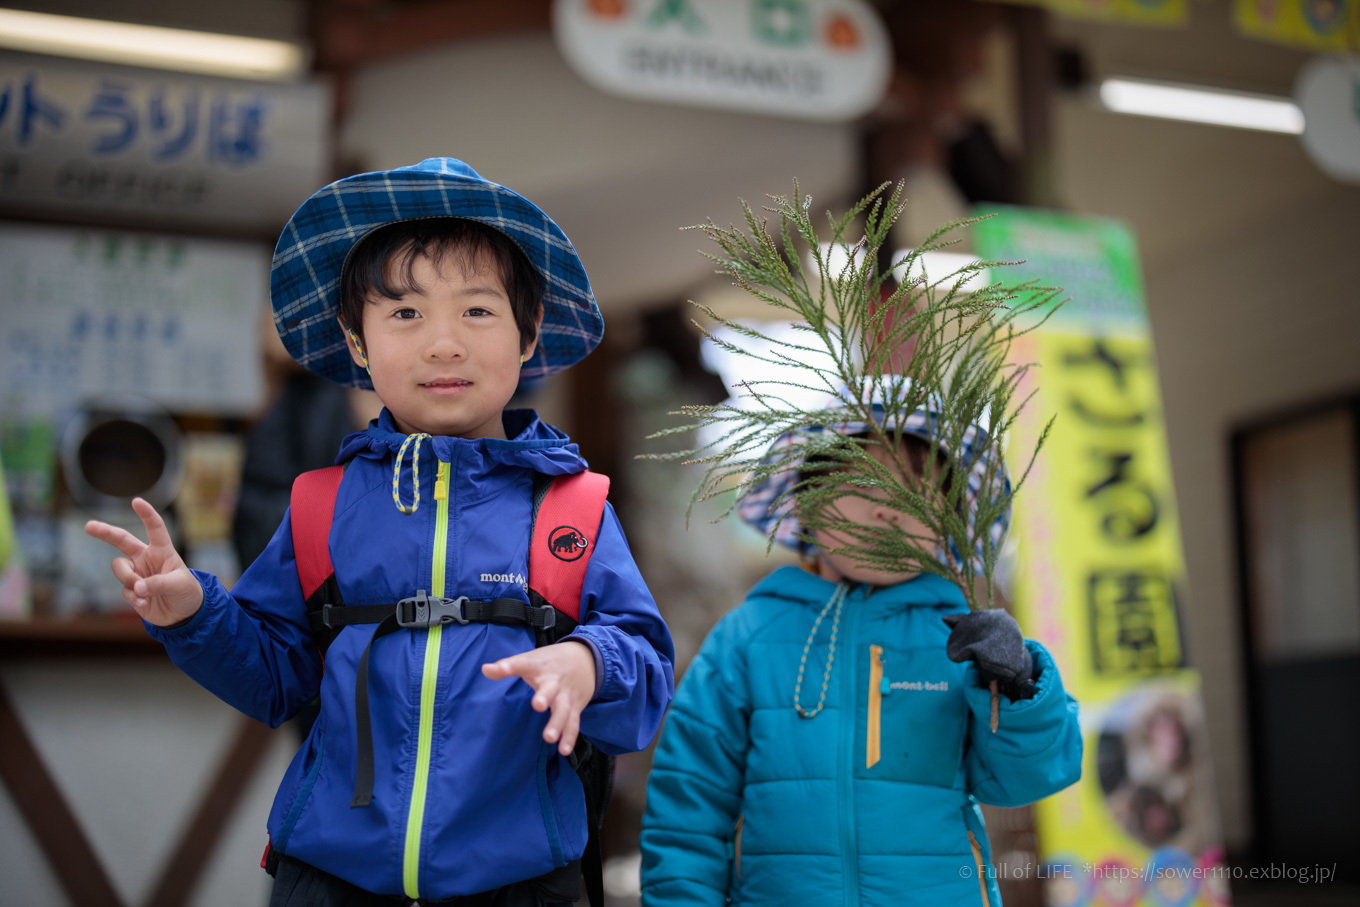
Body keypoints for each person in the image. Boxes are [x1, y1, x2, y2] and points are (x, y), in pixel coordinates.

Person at [85, 158, 675, 906]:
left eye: (478, 311)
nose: (443, 343)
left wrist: (590, 663)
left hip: (522, 882)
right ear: (357, 344)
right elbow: (275, 679)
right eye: (405, 313)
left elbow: (648, 674)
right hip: (331, 880)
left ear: (528, 336)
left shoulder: (573, 508)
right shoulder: (320, 506)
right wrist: (193, 613)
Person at [639, 405, 1082, 906]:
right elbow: (688, 809)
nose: (889, 509)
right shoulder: (748, 637)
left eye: (917, 496)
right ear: (806, 504)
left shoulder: (963, 640)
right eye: (865, 487)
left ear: (949, 524)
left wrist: (1019, 684)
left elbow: (1022, 781)